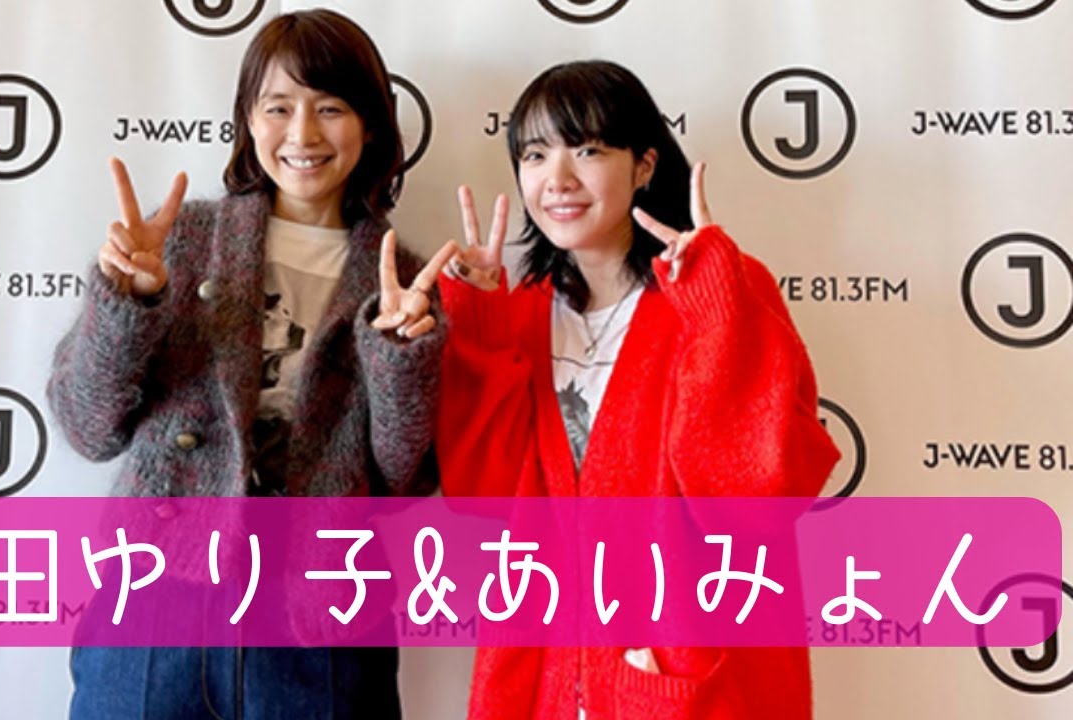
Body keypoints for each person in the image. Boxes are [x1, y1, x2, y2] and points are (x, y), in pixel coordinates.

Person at [48, 9, 454, 719]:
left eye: (330, 108)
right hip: (157, 597)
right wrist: (126, 303)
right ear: (247, 120)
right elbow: (88, 428)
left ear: (370, 126)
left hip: (322, 616)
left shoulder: (404, 280)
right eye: (278, 107)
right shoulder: (180, 241)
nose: (303, 134)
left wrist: (398, 359)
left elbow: (404, 478)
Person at [435, 60, 840, 719]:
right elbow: (484, 495)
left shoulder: (722, 292)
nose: (557, 179)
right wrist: (477, 325)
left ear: (644, 165)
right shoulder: (521, 313)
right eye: (535, 155)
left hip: (688, 672)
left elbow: (756, 496)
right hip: (544, 679)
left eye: (587, 150)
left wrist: (716, 312)